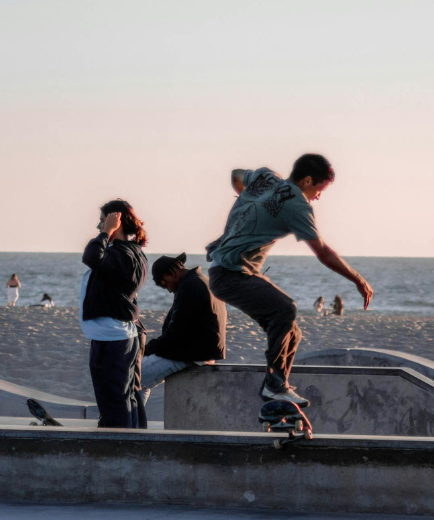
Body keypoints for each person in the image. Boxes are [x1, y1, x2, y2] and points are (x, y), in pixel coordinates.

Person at [204, 154, 372, 407]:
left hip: (226, 272)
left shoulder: (266, 178)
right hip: (232, 275)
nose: (318, 196)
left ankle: (277, 390)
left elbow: (236, 174)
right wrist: (358, 280)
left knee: (292, 333)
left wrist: (246, 203)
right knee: (286, 308)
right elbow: (323, 252)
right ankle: (275, 385)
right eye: (319, 189)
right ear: (306, 181)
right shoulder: (297, 205)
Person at [82, 200, 149, 428]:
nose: (99, 226)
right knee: (125, 396)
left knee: (115, 398)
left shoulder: (124, 254)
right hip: (114, 335)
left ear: (117, 222)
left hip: (114, 337)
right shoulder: (129, 253)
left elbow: (91, 256)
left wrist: (107, 230)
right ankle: (132, 443)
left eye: (103, 221)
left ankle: (120, 448)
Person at [139, 253, 227, 406]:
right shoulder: (202, 280)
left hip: (191, 354)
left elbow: (175, 333)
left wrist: (145, 350)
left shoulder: (189, 286)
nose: (167, 289)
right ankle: (134, 425)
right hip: (202, 352)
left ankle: (127, 425)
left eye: (164, 284)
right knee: (141, 383)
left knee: (129, 377)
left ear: (172, 273)